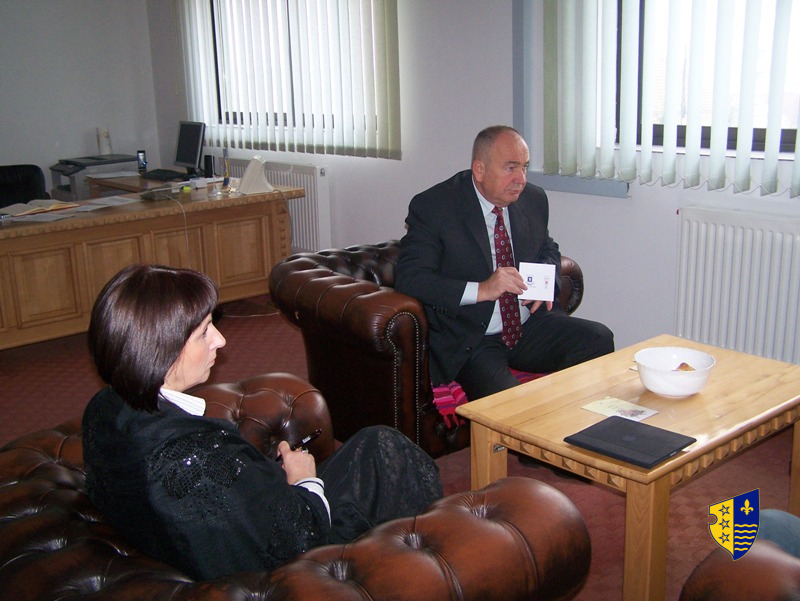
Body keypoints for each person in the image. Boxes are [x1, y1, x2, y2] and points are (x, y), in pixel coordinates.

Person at [82, 264, 442, 580]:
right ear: (161, 348)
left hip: (204, 537)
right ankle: (433, 564)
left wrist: (257, 474)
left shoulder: (104, 408)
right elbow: (298, 541)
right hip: (293, 572)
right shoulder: (198, 461)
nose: (220, 340)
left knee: (374, 441)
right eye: (204, 331)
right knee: (392, 456)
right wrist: (304, 481)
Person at [396, 125, 614, 401]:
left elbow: (548, 248)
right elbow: (411, 279)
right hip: (474, 338)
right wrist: (482, 289)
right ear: (480, 170)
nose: (520, 179)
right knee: (510, 403)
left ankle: (564, 417)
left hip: (527, 325)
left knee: (599, 338)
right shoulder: (436, 207)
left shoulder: (533, 199)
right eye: (511, 168)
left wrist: (544, 284)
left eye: (524, 167)